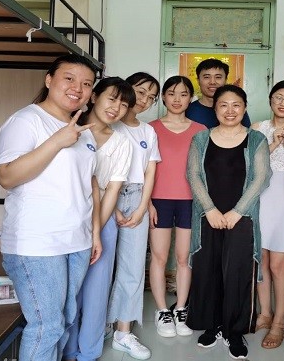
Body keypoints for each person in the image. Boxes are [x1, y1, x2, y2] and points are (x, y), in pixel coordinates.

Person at [0, 54, 101, 361]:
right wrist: (57, 141)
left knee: (65, 319)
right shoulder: (26, 120)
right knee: (47, 326)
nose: (77, 88)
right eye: (69, 78)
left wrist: (93, 233)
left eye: (86, 84)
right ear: (49, 80)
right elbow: (7, 176)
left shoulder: (83, 130)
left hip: (76, 240)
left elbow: (88, 184)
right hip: (38, 243)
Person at [186, 84, 272, 360]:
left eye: (236, 105)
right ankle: (213, 325)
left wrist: (237, 211)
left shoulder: (256, 139)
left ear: (244, 108)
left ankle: (234, 331)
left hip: (242, 217)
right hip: (207, 216)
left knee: (237, 272)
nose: (230, 110)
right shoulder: (201, 138)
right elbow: (193, 175)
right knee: (209, 270)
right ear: (215, 108)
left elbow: (262, 177)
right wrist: (210, 209)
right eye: (223, 105)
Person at [63, 77, 136, 361]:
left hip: (103, 218)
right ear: (94, 97)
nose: (116, 107)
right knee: (70, 291)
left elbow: (113, 190)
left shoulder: (122, 143)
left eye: (124, 104)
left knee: (96, 290)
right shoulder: (70, 131)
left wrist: (95, 230)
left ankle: (88, 351)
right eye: (112, 98)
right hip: (68, 216)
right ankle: (68, 350)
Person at [107, 72, 161, 360]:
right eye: (141, 92)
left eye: (151, 97)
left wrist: (142, 207)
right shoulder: (108, 124)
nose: (145, 100)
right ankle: (99, 323)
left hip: (137, 196)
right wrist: (111, 207)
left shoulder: (147, 132)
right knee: (100, 266)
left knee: (133, 267)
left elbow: (150, 171)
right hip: (106, 197)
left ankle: (123, 332)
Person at [148, 76, 206, 338]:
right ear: (163, 97)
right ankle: (162, 310)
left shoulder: (201, 130)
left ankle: (181, 308)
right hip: (158, 200)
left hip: (190, 201)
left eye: (183, 94)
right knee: (159, 257)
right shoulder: (150, 129)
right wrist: (147, 202)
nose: (177, 99)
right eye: (171, 93)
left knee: (184, 258)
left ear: (191, 98)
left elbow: (204, 170)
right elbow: (143, 169)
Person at [252, 80, 284, 349]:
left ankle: (279, 322)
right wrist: (272, 143)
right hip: (260, 198)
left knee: (278, 265)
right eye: (279, 97)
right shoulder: (257, 128)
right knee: (260, 260)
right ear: (271, 99)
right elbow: (250, 166)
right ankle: (264, 313)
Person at [185, 58, 251, 128]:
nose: (212, 82)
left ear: (225, 80)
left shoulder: (235, 111)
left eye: (218, 77)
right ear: (198, 81)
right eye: (207, 77)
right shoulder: (188, 110)